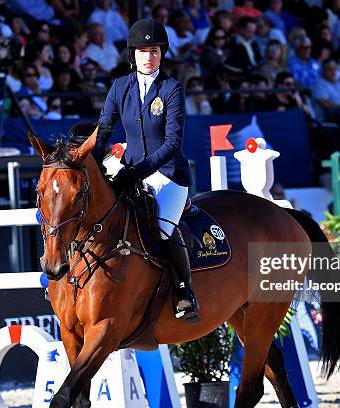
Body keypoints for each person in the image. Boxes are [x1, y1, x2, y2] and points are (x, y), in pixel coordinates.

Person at [95, 19, 199, 322]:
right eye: (143, 51)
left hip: (167, 174)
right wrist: (88, 155)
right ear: (133, 54)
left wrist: (136, 171)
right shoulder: (119, 87)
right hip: (131, 170)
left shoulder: (171, 89)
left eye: (154, 51)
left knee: (163, 228)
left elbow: (171, 144)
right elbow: (103, 130)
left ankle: (184, 290)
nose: (148, 57)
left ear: (161, 54)